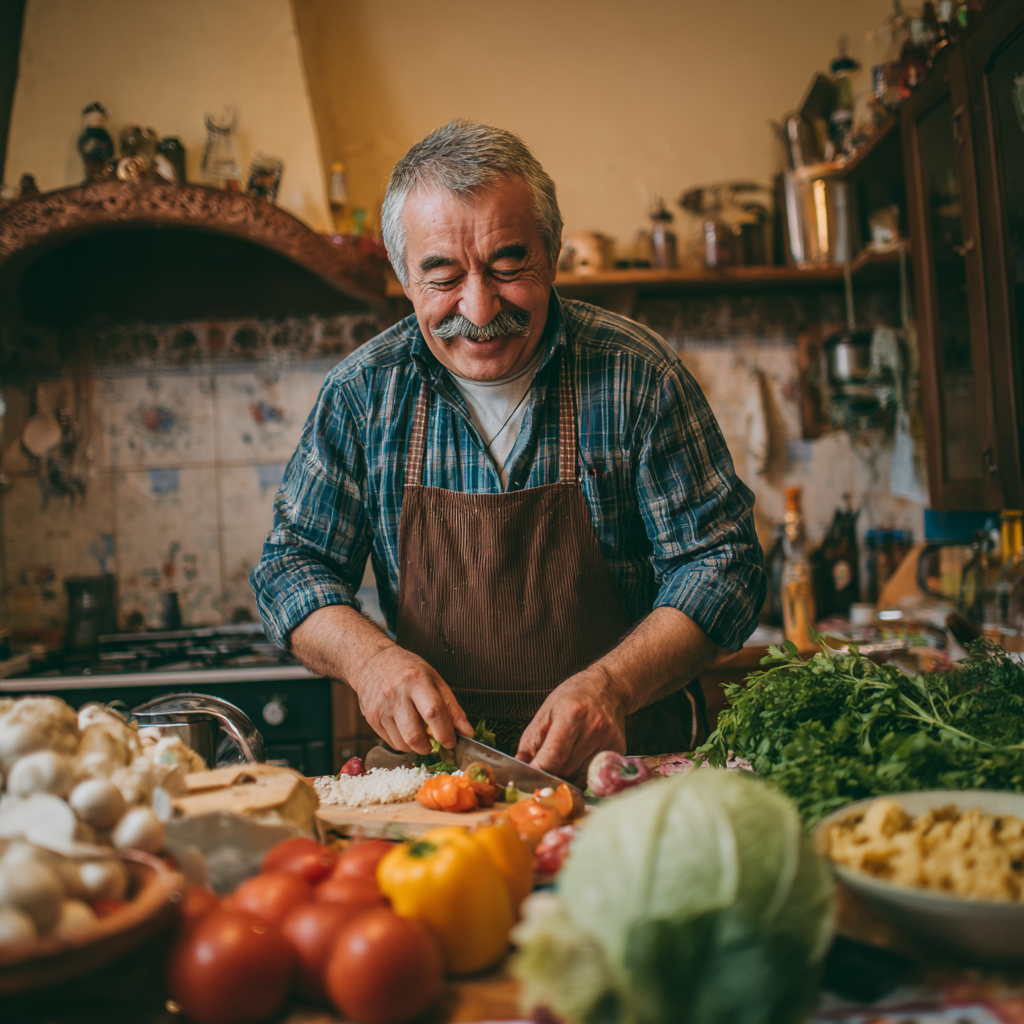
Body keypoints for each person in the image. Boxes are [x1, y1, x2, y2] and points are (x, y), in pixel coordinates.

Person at [252, 120, 765, 781]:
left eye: (507, 265)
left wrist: (611, 685)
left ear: (552, 255)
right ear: (404, 276)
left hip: (629, 771)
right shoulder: (362, 394)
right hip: (437, 781)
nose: (479, 305)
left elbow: (724, 565)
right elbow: (290, 569)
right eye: (442, 275)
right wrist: (370, 662)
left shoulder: (638, 375)